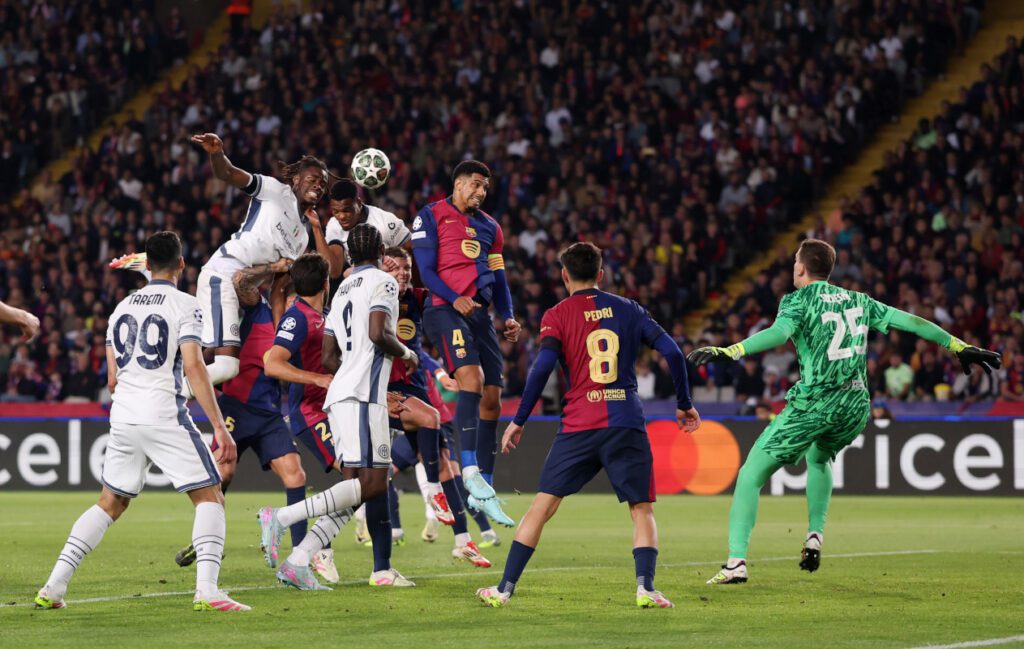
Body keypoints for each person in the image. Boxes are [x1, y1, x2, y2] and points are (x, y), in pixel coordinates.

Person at [689, 239, 1001, 585]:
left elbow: (779, 334)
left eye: (795, 261)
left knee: (750, 475)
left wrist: (732, 350)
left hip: (816, 403)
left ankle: (736, 563)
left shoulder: (797, 300)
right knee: (819, 458)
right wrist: (957, 345)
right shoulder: (858, 299)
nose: (794, 266)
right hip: (855, 405)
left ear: (802, 267)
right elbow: (911, 321)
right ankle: (814, 534)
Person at [476, 242, 700, 609]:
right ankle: (646, 589)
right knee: (641, 509)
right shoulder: (629, 309)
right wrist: (684, 404)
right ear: (601, 274)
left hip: (579, 423)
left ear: (565, 275)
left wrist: (518, 420)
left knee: (542, 507)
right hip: (625, 421)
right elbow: (674, 352)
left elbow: (542, 368)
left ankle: (503, 589)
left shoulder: (558, 314)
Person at [35, 232, 249, 612]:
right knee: (210, 495)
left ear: (146, 265)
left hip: (123, 415)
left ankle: (54, 586)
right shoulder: (187, 305)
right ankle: (208, 590)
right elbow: (196, 367)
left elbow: (112, 379)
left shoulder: (120, 308)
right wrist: (218, 425)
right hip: (164, 411)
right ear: (182, 264)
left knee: (110, 502)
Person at [257, 223, 418, 588]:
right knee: (375, 484)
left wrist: (352, 374)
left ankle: (298, 561)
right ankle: (282, 516)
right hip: (362, 396)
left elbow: (329, 356)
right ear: (380, 251)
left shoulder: (343, 287)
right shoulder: (383, 282)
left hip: (343, 393)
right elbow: (380, 333)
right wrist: (408, 354)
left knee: (360, 487)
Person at [173, 260, 321, 574]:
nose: (296, 309)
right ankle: (206, 539)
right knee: (223, 473)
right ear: (283, 296)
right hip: (236, 408)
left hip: (269, 414)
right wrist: (275, 266)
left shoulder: (303, 326)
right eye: (292, 300)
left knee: (296, 476)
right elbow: (241, 282)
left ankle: (298, 556)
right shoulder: (261, 310)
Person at [411, 160, 519, 527]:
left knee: (492, 398)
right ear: (457, 184)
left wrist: (508, 314)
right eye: (474, 185)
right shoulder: (430, 215)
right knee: (470, 380)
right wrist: (452, 297)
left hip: (479, 315)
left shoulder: (491, 227)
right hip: (443, 309)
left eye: (485, 188)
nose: (480, 192)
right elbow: (424, 271)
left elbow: (499, 278)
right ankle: (469, 467)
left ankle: (483, 489)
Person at [188, 132, 327, 393]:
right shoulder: (274, 190)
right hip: (224, 273)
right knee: (226, 366)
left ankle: (173, 391)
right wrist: (217, 154)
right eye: (313, 179)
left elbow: (279, 288)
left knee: (216, 364)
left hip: (243, 293)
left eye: (323, 184)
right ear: (297, 179)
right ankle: (167, 396)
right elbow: (228, 174)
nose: (319, 186)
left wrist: (277, 332)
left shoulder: (302, 236)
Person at [380, 246, 490, 567]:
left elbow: (418, 347)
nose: (402, 273)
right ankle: (432, 494)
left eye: (405, 268)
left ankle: (463, 541)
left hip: (415, 388)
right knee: (370, 478)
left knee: (446, 466)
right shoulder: (372, 298)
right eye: (394, 268)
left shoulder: (419, 297)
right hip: (386, 391)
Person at [262, 253, 344, 586]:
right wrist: (317, 379)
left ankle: (308, 550)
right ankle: (312, 548)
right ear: (326, 283)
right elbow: (273, 363)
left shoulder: (321, 315)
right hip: (310, 413)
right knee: (357, 477)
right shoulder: (298, 318)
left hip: (333, 408)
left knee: (360, 479)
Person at [323, 178, 411, 278]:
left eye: (347, 210)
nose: (341, 216)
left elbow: (411, 254)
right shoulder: (334, 225)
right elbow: (334, 271)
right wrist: (316, 227)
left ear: (359, 203)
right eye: (336, 211)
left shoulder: (385, 221)